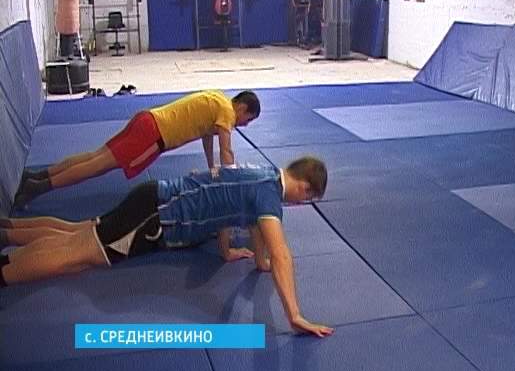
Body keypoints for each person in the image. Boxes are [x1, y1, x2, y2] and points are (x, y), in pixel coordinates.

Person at [1, 157, 334, 338]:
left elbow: (235, 213)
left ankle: (8, 245)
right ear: (304, 187)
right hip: (154, 215)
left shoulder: (261, 173)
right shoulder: (269, 195)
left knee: (77, 241)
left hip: (150, 202)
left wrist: (238, 255)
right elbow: (281, 253)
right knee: (75, 256)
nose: (300, 204)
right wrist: (294, 315)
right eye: (307, 198)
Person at [15, 90, 261, 206]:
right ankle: (37, 188)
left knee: (95, 156)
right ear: (242, 108)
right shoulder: (228, 113)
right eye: (248, 120)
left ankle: (37, 175)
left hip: (147, 119)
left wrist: (212, 168)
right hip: (153, 136)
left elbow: (208, 138)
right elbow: (227, 150)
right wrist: (233, 181)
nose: (245, 125)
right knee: (98, 166)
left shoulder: (218, 99)